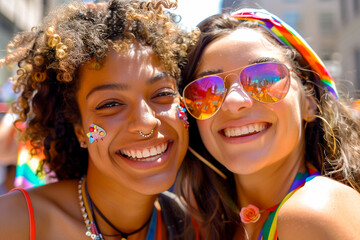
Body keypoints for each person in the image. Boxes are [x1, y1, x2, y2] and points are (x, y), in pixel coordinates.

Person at [0, 0, 199, 239]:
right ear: (80, 130)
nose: (146, 122)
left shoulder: (194, 228)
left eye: (163, 94)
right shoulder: (14, 222)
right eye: (110, 104)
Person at [176, 8, 360, 240]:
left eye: (265, 78)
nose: (234, 102)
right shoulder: (210, 221)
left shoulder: (312, 213)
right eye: (206, 90)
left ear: (310, 102)